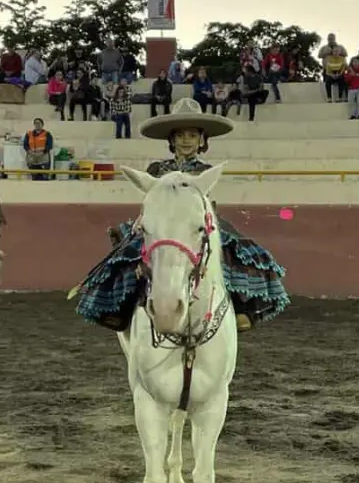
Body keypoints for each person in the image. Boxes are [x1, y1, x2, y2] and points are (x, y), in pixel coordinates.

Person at [71, 98, 289, 333]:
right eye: (181, 135)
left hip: (196, 220)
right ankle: (121, 311)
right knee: (129, 252)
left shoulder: (205, 171)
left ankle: (240, 309)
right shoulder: (156, 169)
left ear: (202, 140)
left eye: (192, 136)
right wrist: (141, 219)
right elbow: (151, 201)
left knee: (232, 251)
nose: (186, 140)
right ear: (172, 140)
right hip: (162, 221)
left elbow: (203, 204)